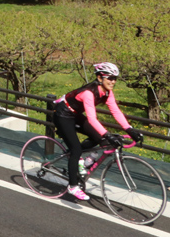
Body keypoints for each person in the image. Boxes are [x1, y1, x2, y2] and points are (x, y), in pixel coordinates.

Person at [53, 62, 142, 201]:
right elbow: (92, 119)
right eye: (110, 78)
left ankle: (78, 159)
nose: (113, 81)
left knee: (99, 139)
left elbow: (116, 112)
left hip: (75, 114)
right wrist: (107, 134)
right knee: (76, 149)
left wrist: (130, 129)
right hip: (63, 115)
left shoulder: (107, 92)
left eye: (115, 78)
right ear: (100, 78)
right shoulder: (89, 93)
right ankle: (72, 186)